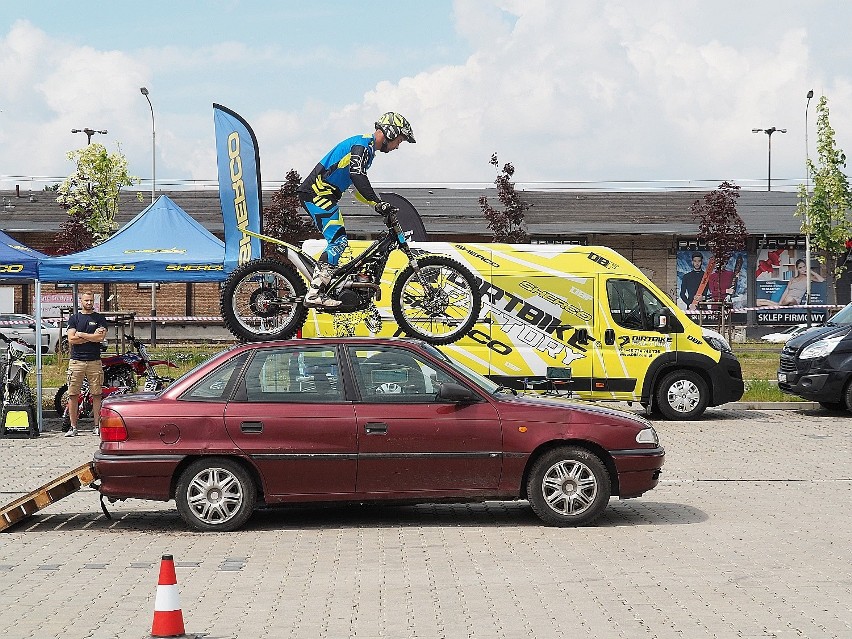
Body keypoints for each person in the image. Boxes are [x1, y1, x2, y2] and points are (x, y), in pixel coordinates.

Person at [297, 112, 415, 308]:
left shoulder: (366, 151)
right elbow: (357, 175)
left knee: (338, 240)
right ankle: (315, 292)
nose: (398, 146)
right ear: (391, 133)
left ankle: (322, 285)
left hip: (323, 195)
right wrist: (376, 202)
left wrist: (377, 204)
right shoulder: (362, 145)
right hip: (317, 194)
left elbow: (355, 186)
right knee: (338, 241)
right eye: (400, 140)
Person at [65, 291, 107, 436]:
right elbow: (71, 339)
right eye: (86, 300)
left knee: (96, 394)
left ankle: (96, 426)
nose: (88, 303)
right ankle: (73, 427)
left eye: (91, 301)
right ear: (81, 301)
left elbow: (100, 337)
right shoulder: (74, 318)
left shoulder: (99, 318)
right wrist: (91, 337)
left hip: (94, 361)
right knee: (73, 394)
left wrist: (81, 334)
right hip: (76, 361)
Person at [757, 259, 825, 307]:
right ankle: (778, 305)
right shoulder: (792, 279)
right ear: (797, 269)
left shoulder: (808, 278)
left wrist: (810, 271)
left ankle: (778, 305)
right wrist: (781, 301)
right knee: (759, 301)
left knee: (789, 298)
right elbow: (786, 291)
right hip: (786, 301)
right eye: (800, 268)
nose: (803, 269)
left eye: (804, 267)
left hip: (795, 301)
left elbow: (821, 280)